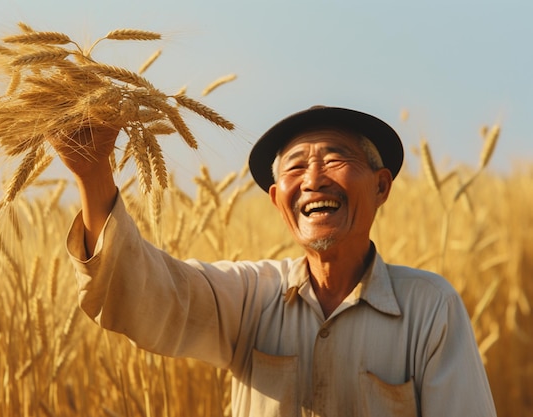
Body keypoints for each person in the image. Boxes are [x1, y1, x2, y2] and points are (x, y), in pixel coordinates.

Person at [53, 105, 497, 416]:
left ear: (382, 187)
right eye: (295, 168)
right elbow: (147, 297)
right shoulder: (250, 297)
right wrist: (94, 176)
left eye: (335, 158)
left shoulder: (430, 307)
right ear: (276, 200)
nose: (314, 180)